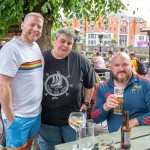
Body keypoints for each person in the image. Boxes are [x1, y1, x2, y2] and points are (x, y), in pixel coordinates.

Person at [38, 27, 96, 150]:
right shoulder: (41, 58)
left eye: (69, 43)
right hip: (46, 119)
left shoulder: (80, 60)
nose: (65, 45)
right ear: (55, 40)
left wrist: (86, 102)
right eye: (62, 41)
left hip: (74, 119)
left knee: (76, 147)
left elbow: (90, 84)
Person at [0, 12, 44, 150]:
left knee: (29, 145)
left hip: (35, 112)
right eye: (32, 24)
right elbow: (3, 85)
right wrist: (10, 118)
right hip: (18, 116)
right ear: (22, 25)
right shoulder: (11, 49)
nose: (36, 29)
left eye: (39, 26)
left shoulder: (35, 46)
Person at [91, 52, 150, 133]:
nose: (121, 69)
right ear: (110, 67)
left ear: (132, 67)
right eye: (117, 65)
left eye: (125, 65)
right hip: (117, 140)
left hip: (143, 137)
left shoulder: (145, 84)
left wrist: (135, 122)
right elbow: (95, 119)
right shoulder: (102, 88)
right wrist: (105, 107)